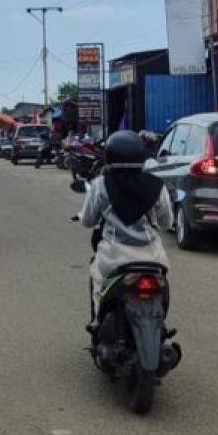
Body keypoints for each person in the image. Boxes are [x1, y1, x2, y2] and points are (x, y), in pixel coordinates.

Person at [78, 131, 173, 318]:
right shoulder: (157, 185)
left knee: (98, 280)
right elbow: (166, 222)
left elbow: (88, 221)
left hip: (113, 258)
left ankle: (98, 321)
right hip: (152, 258)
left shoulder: (101, 184)